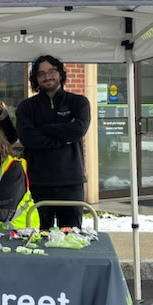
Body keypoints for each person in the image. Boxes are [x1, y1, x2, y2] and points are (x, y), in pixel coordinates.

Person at [15, 55, 91, 229]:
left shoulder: (79, 102)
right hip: (38, 183)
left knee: (71, 239)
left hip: (71, 182)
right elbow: (27, 138)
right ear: (35, 78)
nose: (47, 77)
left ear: (60, 73)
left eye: (51, 71)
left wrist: (42, 129)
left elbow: (78, 130)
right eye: (41, 73)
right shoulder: (26, 107)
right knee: (40, 239)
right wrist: (63, 137)